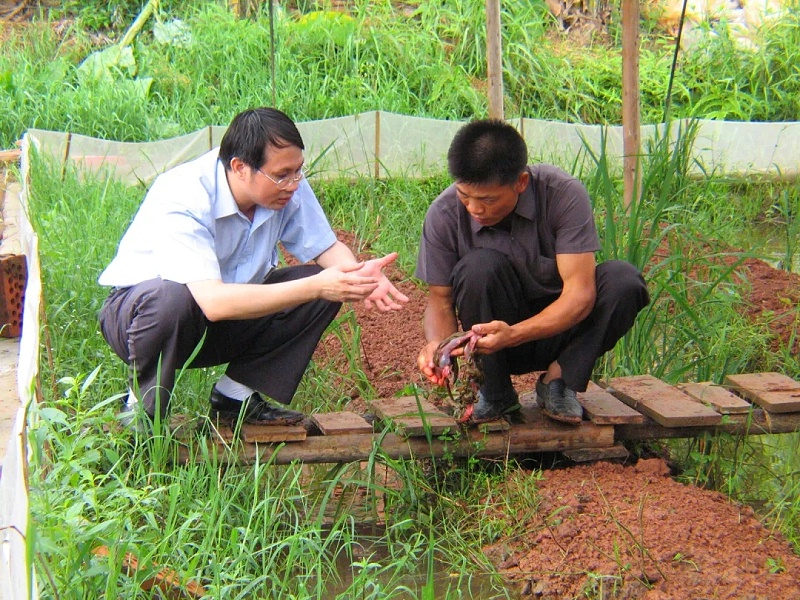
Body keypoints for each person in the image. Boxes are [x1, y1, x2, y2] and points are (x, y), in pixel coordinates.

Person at [99, 107, 408, 429]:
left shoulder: (286, 189)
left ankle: (234, 398)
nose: (293, 184)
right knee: (172, 296)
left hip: (218, 321)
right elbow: (214, 303)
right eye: (282, 175)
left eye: (298, 171)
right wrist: (318, 286)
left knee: (326, 282)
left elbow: (325, 247)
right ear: (240, 167)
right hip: (144, 322)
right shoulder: (183, 195)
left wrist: (357, 275)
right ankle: (142, 409)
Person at [415, 119, 649, 425]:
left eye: (488, 199)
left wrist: (513, 335)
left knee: (624, 281)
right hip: (490, 345)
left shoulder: (562, 194)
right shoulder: (444, 213)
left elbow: (580, 295)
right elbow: (439, 301)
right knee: (478, 267)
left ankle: (558, 381)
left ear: (521, 182)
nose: (474, 208)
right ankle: (494, 394)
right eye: (464, 196)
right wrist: (440, 347)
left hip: (563, 331)